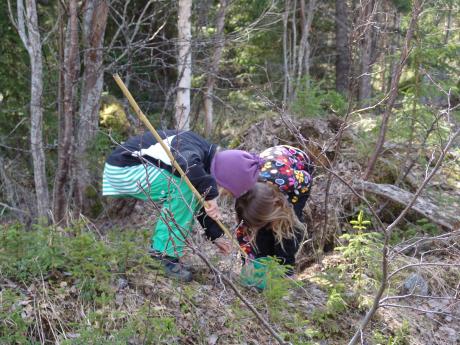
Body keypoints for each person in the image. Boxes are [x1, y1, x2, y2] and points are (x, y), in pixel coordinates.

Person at [103, 130, 263, 281]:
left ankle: (167, 254)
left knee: (191, 187)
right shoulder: (192, 148)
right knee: (185, 186)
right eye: (224, 190)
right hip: (123, 169)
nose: (221, 194)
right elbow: (186, 163)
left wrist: (216, 235)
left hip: (134, 169)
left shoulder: (204, 156)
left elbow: (199, 201)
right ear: (222, 176)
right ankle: (163, 256)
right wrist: (211, 192)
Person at [234, 145, 314, 289]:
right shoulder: (243, 198)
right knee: (264, 232)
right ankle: (265, 261)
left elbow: (306, 181)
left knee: (288, 227)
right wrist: (249, 261)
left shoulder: (288, 179)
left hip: (298, 174)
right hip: (267, 178)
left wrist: (291, 206)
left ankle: (286, 270)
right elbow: (243, 236)